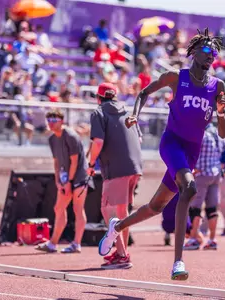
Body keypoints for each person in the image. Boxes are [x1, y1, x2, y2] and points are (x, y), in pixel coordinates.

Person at [97, 28, 225, 281]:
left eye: (214, 52)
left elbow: (223, 133)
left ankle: (118, 226)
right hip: (172, 143)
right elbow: (144, 92)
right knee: (189, 189)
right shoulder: (176, 77)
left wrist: (221, 113)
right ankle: (178, 261)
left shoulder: (217, 86)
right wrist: (135, 115)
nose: (211, 55)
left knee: (157, 206)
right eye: (206, 50)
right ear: (193, 53)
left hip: (192, 152)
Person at [87, 83, 142, 269]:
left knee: (107, 209)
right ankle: (122, 252)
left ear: (98, 97)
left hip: (116, 169)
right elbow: (139, 138)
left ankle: (122, 255)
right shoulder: (127, 110)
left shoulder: (98, 112)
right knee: (121, 212)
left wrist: (90, 163)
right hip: (135, 167)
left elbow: (98, 142)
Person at [35, 109, 89, 253]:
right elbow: (57, 162)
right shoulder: (52, 139)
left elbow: (75, 161)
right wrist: (58, 180)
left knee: (78, 208)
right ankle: (53, 243)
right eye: (49, 121)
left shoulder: (70, 136)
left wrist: (69, 182)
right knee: (58, 208)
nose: (51, 124)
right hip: (66, 178)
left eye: (54, 120)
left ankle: (76, 243)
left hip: (79, 177)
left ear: (61, 121)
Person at [184, 123, 225, 250]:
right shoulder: (219, 134)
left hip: (202, 173)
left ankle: (193, 238)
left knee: (195, 207)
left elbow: (193, 155)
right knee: (212, 208)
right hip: (215, 174)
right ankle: (212, 239)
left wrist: (195, 170)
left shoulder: (200, 134)